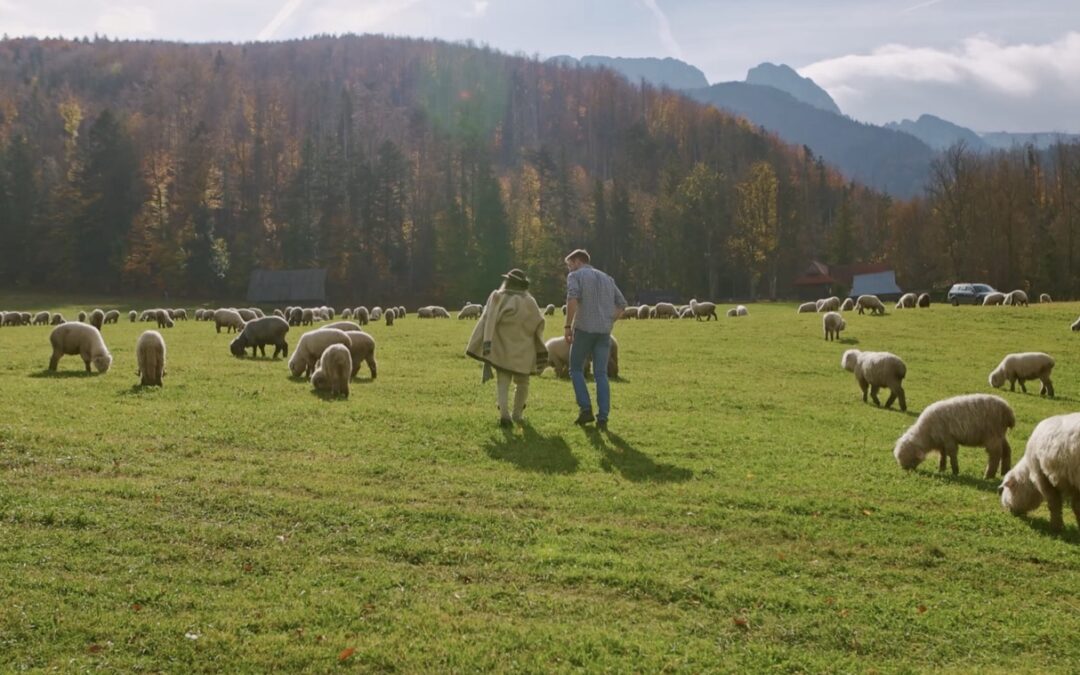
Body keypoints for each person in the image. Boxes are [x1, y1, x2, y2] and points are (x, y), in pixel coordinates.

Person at [466, 268, 549, 427]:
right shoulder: (530, 301)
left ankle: (504, 414)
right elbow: (539, 322)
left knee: (503, 381)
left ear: (508, 281)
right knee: (523, 383)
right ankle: (517, 414)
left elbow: (488, 319)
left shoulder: (498, 296)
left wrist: (486, 344)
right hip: (524, 349)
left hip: (502, 347)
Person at [563, 249, 626, 430]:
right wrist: (609, 320)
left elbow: (572, 298)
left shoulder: (576, 276)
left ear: (576, 261)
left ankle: (585, 409)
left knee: (575, 368)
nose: (569, 270)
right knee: (601, 374)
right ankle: (603, 417)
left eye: (569, 265)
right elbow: (622, 304)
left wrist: (568, 326)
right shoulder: (607, 278)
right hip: (604, 332)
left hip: (584, 329)